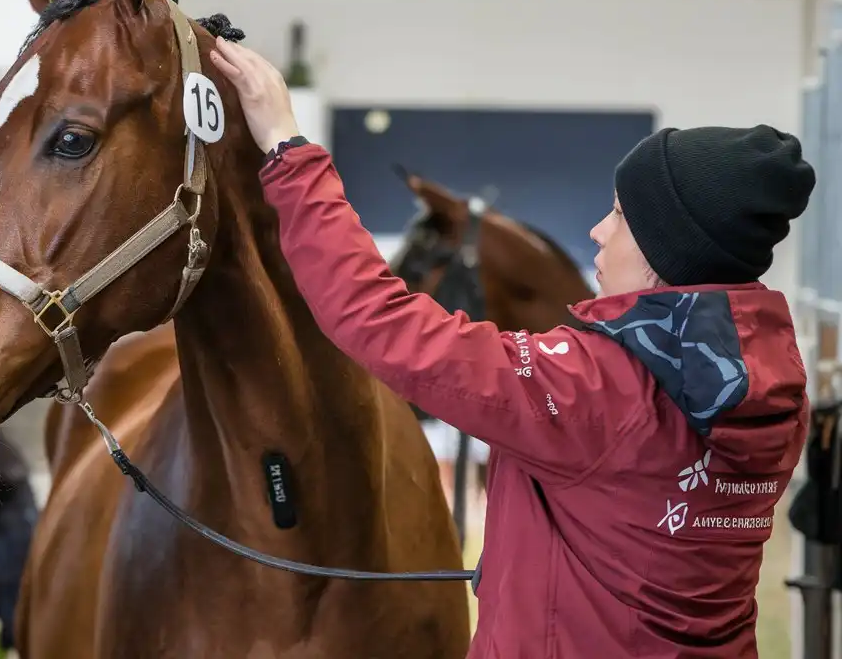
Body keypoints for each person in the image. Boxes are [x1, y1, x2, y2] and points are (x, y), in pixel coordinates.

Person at [209, 36, 816, 657]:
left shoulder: (596, 391)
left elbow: (380, 320)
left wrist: (287, 145)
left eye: (620, 215)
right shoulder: (778, 387)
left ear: (667, 250)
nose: (598, 231)